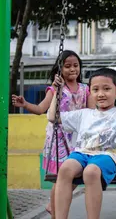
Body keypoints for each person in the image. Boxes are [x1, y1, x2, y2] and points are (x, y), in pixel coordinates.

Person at [47, 60, 116, 219]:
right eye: (95, 90)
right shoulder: (83, 114)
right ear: (90, 92)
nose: (101, 94)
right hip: (82, 154)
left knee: (91, 171)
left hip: (108, 156)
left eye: (106, 89)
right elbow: (52, 117)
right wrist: (57, 91)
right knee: (65, 169)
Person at [12, 50, 94, 216]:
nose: (73, 69)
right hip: (59, 139)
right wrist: (26, 104)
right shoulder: (55, 88)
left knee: (76, 175)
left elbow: (92, 112)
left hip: (77, 138)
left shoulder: (85, 89)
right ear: (60, 69)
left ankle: (53, 204)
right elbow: (41, 109)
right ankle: (56, 212)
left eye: (76, 65)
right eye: (68, 66)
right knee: (62, 178)